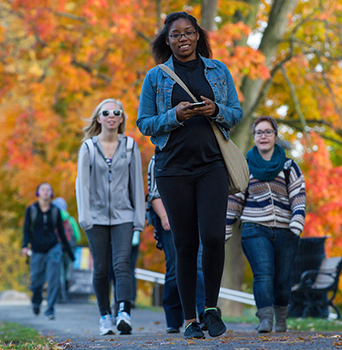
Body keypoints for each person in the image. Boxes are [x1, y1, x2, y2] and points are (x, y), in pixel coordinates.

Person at [136, 12, 243, 339]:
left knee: (213, 237)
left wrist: (216, 111)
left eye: (189, 33)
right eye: (176, 35)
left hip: (211, 165)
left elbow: (236, 113)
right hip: (173, 170)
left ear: (198, 36)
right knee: (185, 244)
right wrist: (174, 115)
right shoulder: (156, 77)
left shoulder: (218, 70)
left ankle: (210, 309)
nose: (183, 38)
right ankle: (188, 320)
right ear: (167, 41)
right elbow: (144, 123)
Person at [226, 116, 307, 333]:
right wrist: (226, 226)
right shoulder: (245, 165)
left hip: (286, 230)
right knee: (263, 273)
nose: (263, 136)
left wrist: (297, 221)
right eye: (259, 132)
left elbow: (298, 195)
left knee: (282, 279)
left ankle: (281, 318)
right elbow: (235, 198)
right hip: (254, 227)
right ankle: (265, 319)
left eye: (268, 132)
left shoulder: (289, 166)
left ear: (275, 136)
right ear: (254, 137)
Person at [76, 98, 145, 336]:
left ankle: (123, 312)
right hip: (94, 217)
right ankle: (105, 315)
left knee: (122, 264)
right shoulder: (88, 148)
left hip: (123, 215)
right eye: (107, 113)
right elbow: (81, 186)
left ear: (122, 118)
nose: (112, 116)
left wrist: (139, 218)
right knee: (102, 268)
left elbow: (136, 184)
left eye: (117, 112)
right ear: (99, 118)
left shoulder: (130, 146)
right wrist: (84, 216)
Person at [146, 155, 208, 334]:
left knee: (198, 267)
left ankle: (203, 315)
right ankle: (173, 320)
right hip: (169, 217)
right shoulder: (157, 159)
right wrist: (165, 216)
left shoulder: (197, 154)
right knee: (174, 268)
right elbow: (154, 194)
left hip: (196, 217)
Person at [22, 183, 75, 320]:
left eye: (48, 190)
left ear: (51, 194)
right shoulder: (31, 210)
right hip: (37, 249)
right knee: (36, 281)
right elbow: (26, 230)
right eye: (43, 189)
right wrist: (24, 246)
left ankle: (50, 309)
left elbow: (61, 233)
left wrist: (69, 252)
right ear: (38, 192)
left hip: (53, 247)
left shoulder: (55, 211)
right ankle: (36, 301)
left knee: (53, 279)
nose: (45, 192)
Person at [52, 197, 81, 303]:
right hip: (69, 248)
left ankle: (60, 296)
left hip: (56, 247)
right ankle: (68, 295)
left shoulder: (53, 217)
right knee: (67, 271)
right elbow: (77, 235)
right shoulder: (70, 218)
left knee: (59, 272)